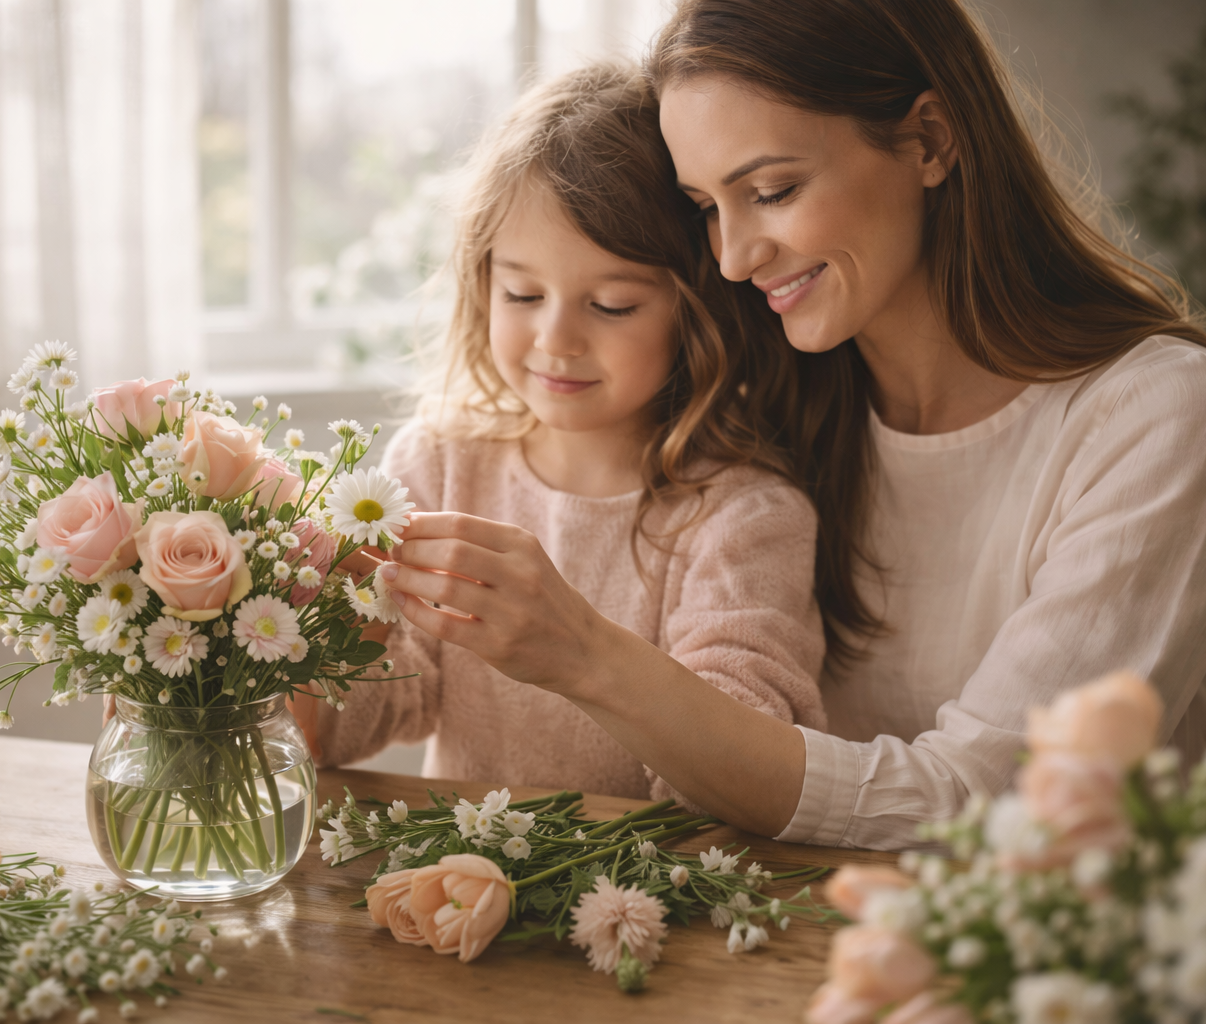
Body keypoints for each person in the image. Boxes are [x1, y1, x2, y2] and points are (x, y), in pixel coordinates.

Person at [374, 0, 1206, 849]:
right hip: (829, 921)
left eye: (773, 189)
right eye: (705, 209)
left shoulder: (1164, 418)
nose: (733, 258)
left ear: (929, 140)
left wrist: (583, 655)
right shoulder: (780, 405)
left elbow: (990, 807)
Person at [296, 63, 827, 802]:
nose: (556, 339)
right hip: (456, 870)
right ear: (483, 283)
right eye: (522, 293)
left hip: (646, 875)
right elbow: (349, 729)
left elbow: (738, 777)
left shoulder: (743, 518)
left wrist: (577, 651)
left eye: (611, 305)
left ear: (696, 309)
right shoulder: (440, 466)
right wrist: (313, 630)